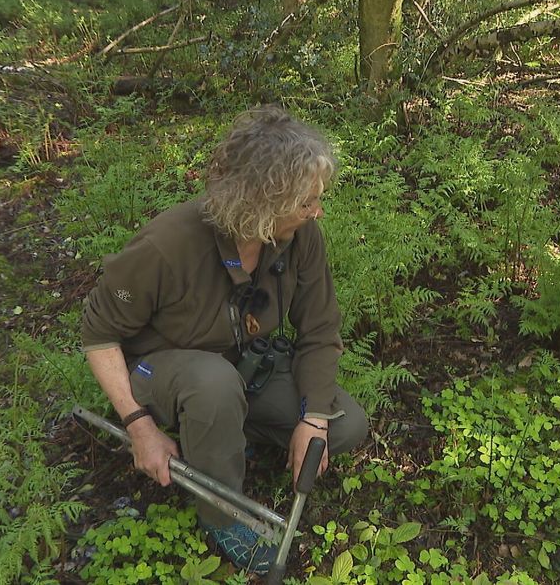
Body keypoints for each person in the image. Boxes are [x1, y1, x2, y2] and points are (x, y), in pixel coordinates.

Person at [81, 106, 368, 574]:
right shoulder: (166, 246)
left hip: (242, 368)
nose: (317, 210)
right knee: (212, 384)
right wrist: (139, 427)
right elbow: (98, 334)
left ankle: (218, 436)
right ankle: (222, 514)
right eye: (306, 201)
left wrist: (313, 419)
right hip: (161, 372)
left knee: (346, 425)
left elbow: (318, 330)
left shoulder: (300, 237)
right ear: (262, 200)